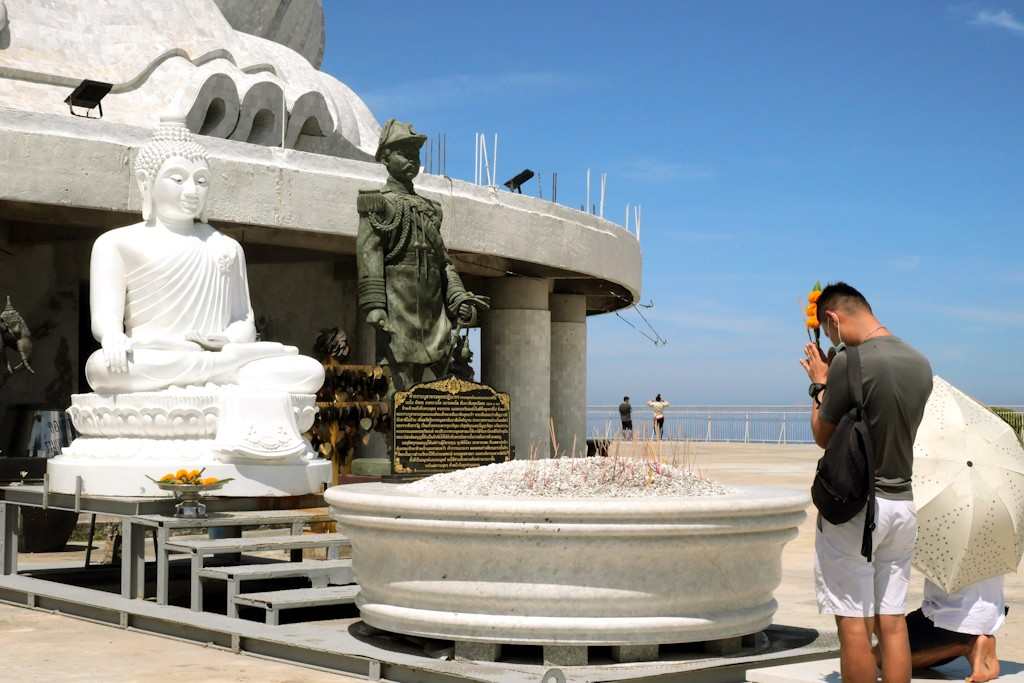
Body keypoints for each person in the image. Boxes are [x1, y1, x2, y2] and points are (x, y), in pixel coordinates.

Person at [799, 282, 933, 683]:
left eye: (827, 331)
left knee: (853, 622)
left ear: (832, 319)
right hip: (901, 505)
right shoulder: (920, 362)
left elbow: (823, 436)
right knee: (892, 620)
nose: (829, 338)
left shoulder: (850, 363)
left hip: (857, 510)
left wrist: (821, 381)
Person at [898, 576, 1004, 682]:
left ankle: (969, 646)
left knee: (888, 658)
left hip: (945, 620)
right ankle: (977, 647)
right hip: (990, 615)